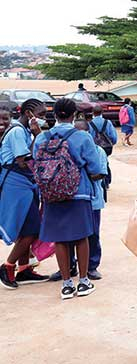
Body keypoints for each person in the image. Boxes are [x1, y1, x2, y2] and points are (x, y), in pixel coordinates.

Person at [33, 98, 107, 299]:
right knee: (81, 236)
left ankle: (66, 285)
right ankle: (83, 281)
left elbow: (35, 164)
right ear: (74, 115)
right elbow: (95, 168)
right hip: (78, 193)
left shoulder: (42, 138)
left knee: (60, 239)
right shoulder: (82, 137)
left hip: (51, 195)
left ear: (54, 115)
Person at [0, 99, 49, 289]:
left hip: (24, 184)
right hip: (17, 184)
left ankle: (24, 269)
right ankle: (8, 266)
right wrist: (38, 136)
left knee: (25, 229)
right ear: (29, 113)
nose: (44, 118)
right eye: (42, 114)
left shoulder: (22, 130)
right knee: (32, 229)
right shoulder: (18, 131)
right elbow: (23, 161)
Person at [73, 118, 108, 281]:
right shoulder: (68, 148)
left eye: (83, 132)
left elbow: (100, 173)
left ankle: (91, 266)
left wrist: (78, 174)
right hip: (74, 198)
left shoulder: (97, 151)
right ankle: (71, 265)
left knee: (92, 234)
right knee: (71, 234)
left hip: (92, 198)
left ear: (89, 134)